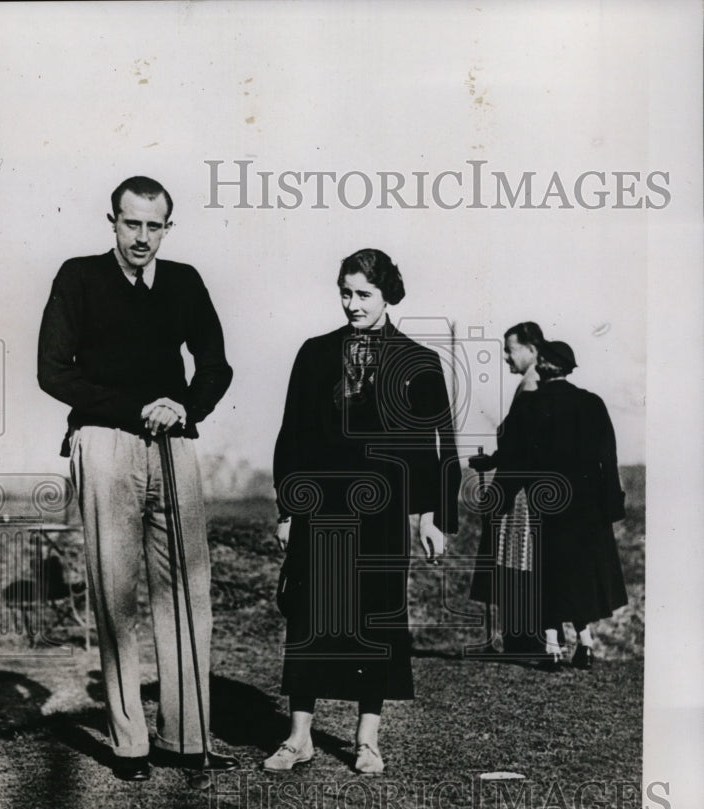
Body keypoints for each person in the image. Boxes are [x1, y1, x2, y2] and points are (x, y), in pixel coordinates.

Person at [38, 175, 238, 780]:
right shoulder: (78, 277)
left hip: (174, 441)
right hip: (104, 442)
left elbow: (215, 364)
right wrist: (133, 410)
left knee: (187, 589)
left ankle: (187, 738)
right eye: (132, 224)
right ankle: (130, 745)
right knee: (115, 592)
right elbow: (53, 372)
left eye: (155, 226)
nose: (143, 237)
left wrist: (182, 407)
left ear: (167, 228)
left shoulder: (183, 282)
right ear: (113, 222)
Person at [266, 248, 461, 774]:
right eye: (346, 293)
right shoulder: (313, 353)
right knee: (309, 618)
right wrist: (288, 509)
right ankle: (298, 737)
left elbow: (433, 447)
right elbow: (293, 436)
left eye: (364, 294)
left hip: (383, 512)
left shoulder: (419, 360)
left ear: (387, 295)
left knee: (375, 619)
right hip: (320, 508)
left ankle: (366, 741)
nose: (353, 304)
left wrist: (431, 516)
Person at [494, 339, 628, 669]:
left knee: (547, 572)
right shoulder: (592, 403)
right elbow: (607, 458)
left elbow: (514, 458)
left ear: (543, 365)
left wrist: (500, 493)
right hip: (587, 506)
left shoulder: (530, 405)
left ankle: (552, 646)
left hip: (546, 502)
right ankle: (585, 643)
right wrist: (611, 504)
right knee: (579, 573)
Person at [469, 321, 547, 660]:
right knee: (517, 558)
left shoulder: (532, 387)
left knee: (518, 558)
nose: (505, 357)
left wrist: (498, 479)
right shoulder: (531, 385)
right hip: (522, 486)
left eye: (509, 349)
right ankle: (521, 640)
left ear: (531, 350)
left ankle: (525, 642)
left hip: (521, 490)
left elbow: (521, 446)